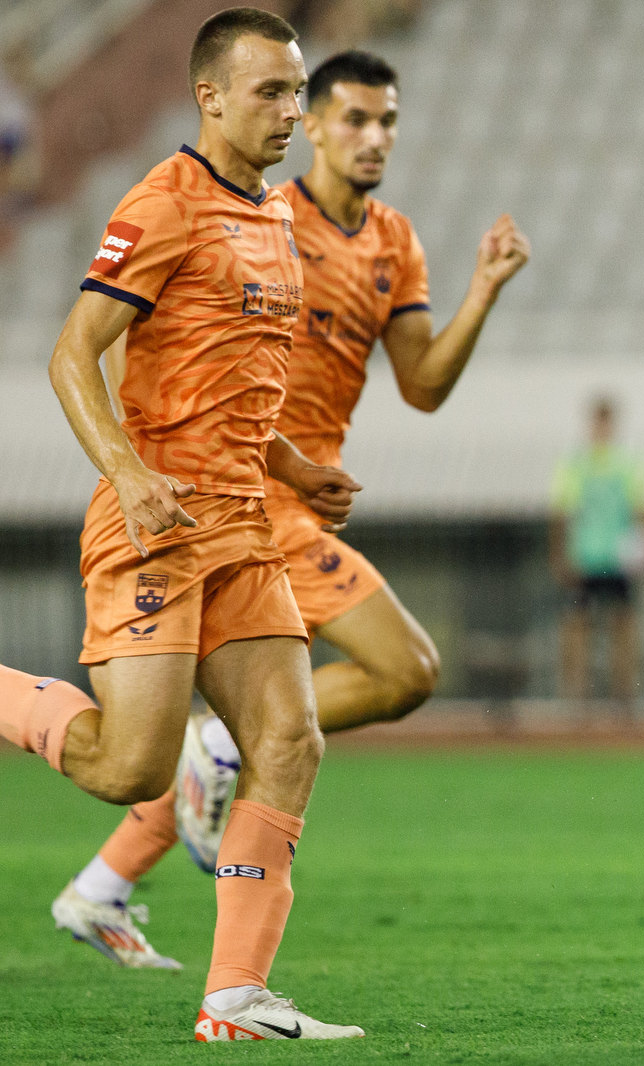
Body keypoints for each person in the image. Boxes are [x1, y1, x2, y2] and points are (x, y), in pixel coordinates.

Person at [59, 47, 530, 968]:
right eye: (350, 117)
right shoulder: (231, 207)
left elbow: (424, 385)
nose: (372, 137)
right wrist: (135, 462)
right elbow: (123, 347)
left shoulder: (387, 240)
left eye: (386, 120)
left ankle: (116, 897)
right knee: (395, 672)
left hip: (281, 489)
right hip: (227, 495)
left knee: (270, 735)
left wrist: (482, 291)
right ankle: (191, 778)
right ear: (312, 127)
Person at [0, 9, 366, 1040]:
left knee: (289, 741)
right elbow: (73, 354)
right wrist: (127, 471)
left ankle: (234, 997)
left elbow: (241, 377)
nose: (291, 111)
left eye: (297, 92)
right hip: (153, 527)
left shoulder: (275, 216)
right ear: (210, 96)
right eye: (270, 92)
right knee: (133, 769)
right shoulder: (161, 204)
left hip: (245, 529)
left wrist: (296, 465)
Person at [551, 398, 644, 704]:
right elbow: (563, 513)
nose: (601, 428)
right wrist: (561, 555)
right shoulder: (576, 463)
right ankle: (577, 697)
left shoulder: (628, 463)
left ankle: (624, 696)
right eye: (597, 421)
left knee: (623, 625)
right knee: (578, 626)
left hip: (619, 560)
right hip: (585, 558)